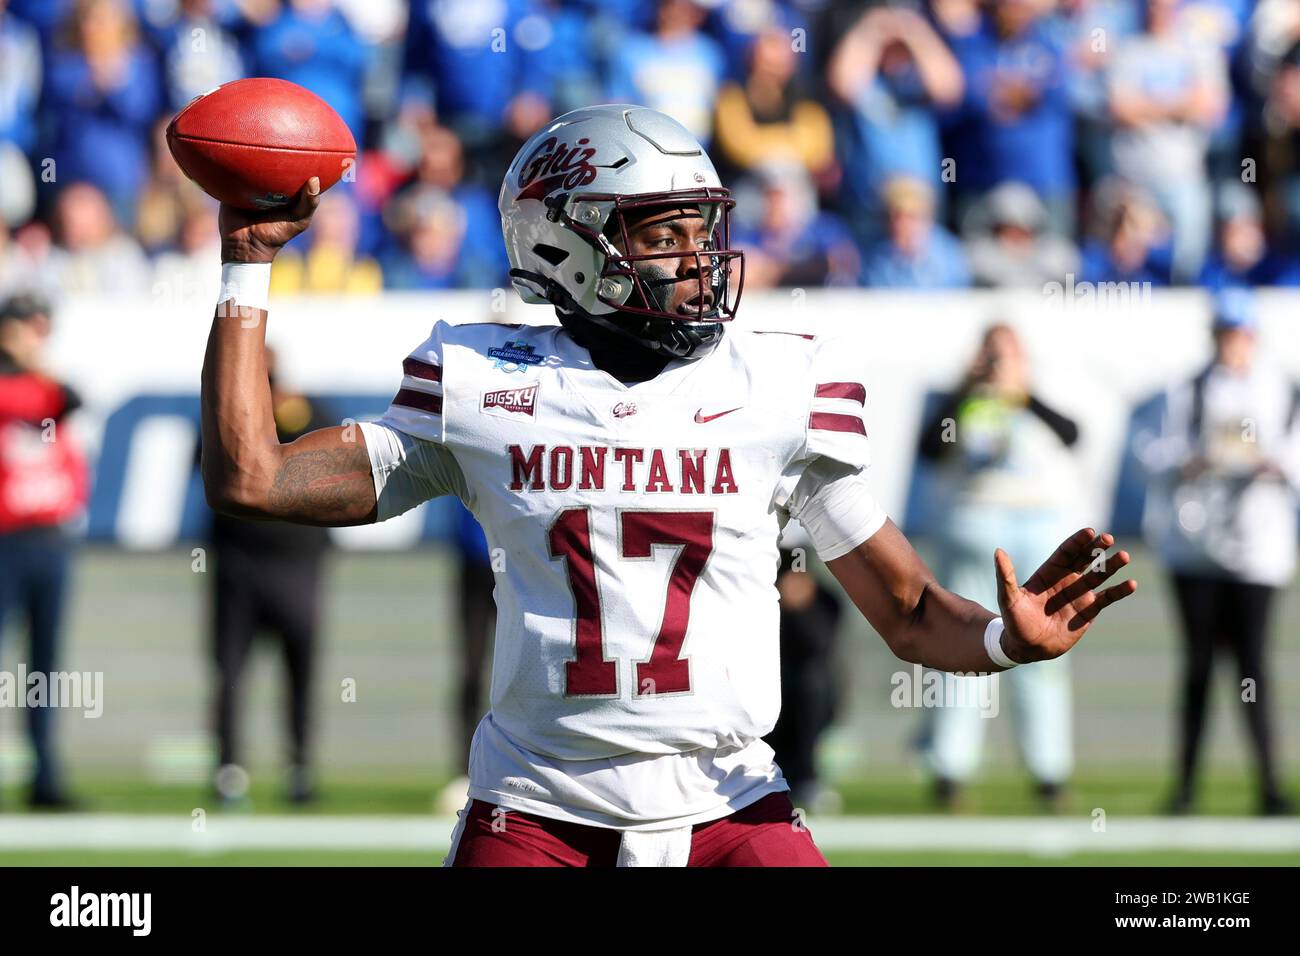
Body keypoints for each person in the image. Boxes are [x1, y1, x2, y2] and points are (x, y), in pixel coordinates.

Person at [199, 104, 1136, 867]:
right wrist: (249, 262)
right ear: (566, 243)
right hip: (537, 811)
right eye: (664, 233)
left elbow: (908, 606)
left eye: (703, 231)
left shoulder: (777, 386)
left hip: (731, 803)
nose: (698, 261)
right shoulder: (484, 385)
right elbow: (252, 476)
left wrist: (1004, 639)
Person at [1137, 290, 1298, 816]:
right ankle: (1185, 786)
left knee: (1252, 665)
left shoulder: (1282, 389)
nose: (1233, 344)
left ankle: (1270, 786)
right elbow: (1153, 453)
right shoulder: (1186, 388)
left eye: (1240, 334)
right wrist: (1193, 461)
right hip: (1196, 546)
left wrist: (1272, 466)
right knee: (1199, 665)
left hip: (1259, 547)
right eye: (1226, 334)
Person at [914, 324, 1085, 811]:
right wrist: (967, 390)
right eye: (990, 355)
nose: (996, 365)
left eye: (1005, 355)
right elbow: (929, 450)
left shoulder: (1036, 394)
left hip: (1035, 527)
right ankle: (950, 769)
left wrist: (1022, 395)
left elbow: (1073, 435)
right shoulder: (958, 399)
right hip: (975, 525)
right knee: (965, 649)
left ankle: (1049, 771)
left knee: (1044, 650)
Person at [203, 348, 334, 806]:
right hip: (238, 566)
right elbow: (202, 466)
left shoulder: (308, 411)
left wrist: (288, 414)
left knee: (300, 670)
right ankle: (229, 770)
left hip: (297, 565)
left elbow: (334, 460)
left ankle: (299, 766)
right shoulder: (223, 412)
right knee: (230, 672)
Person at [0, 293, 88, 809]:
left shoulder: (48, 386)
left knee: (44, 669)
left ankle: (44, 775)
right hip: (4, 537)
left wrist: (34, 360)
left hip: (48, 538)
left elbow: (71, 399)